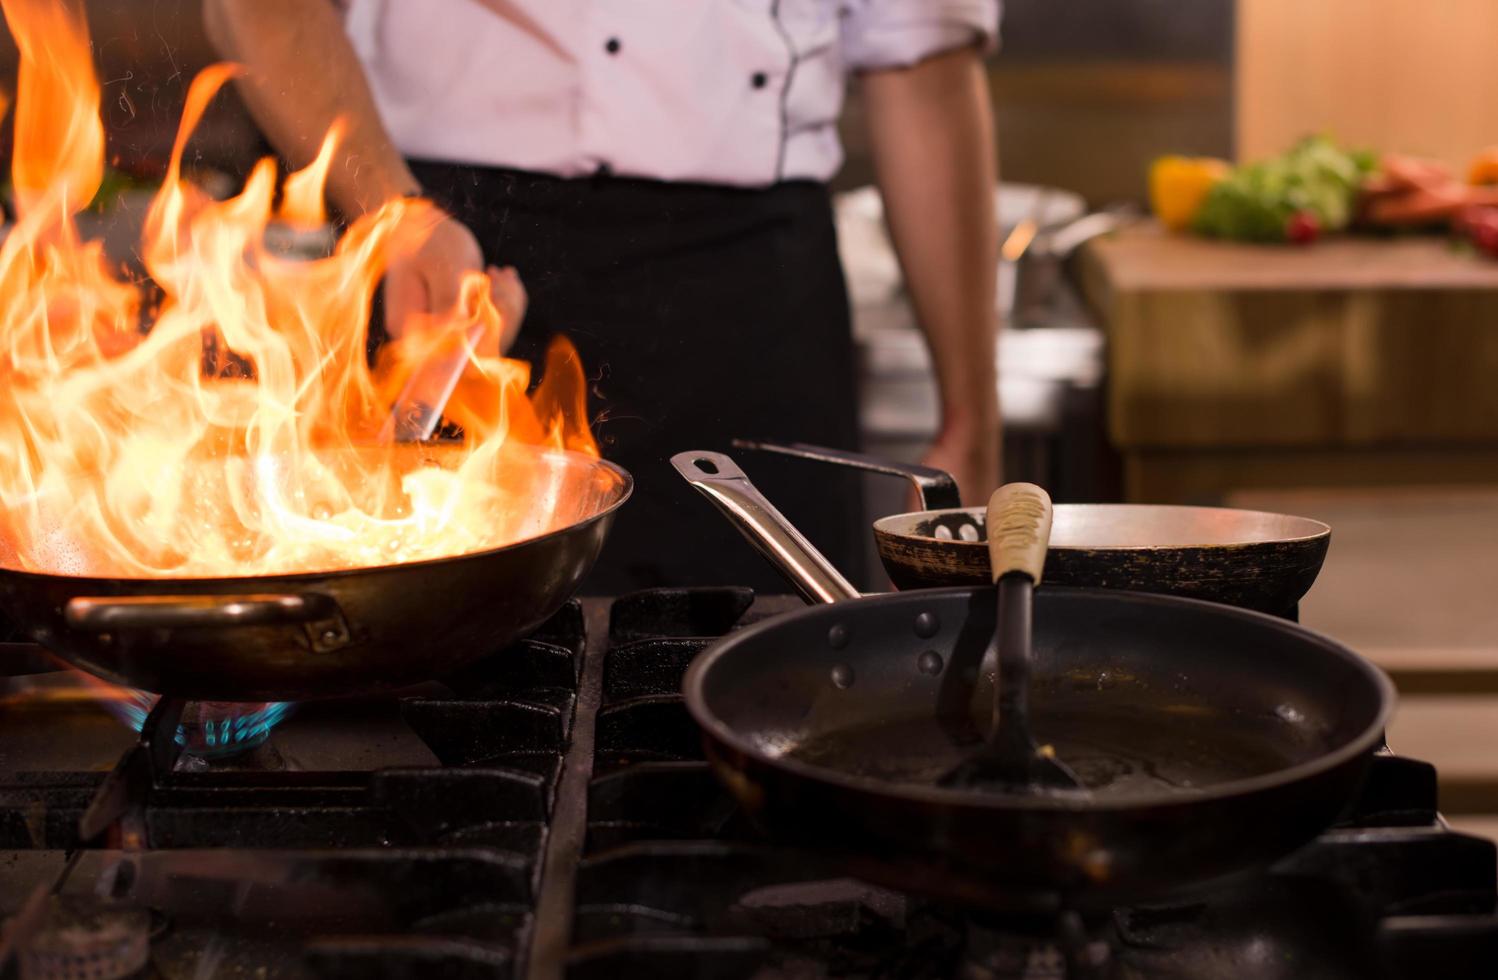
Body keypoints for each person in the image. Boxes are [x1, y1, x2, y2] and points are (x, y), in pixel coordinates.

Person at [204, 0, 1003, 594]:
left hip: (748, 306)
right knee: (422, 706)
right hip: (442, 252)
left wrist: (970, 414)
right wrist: (395, 214)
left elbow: (922, 66)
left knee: (775, 687)